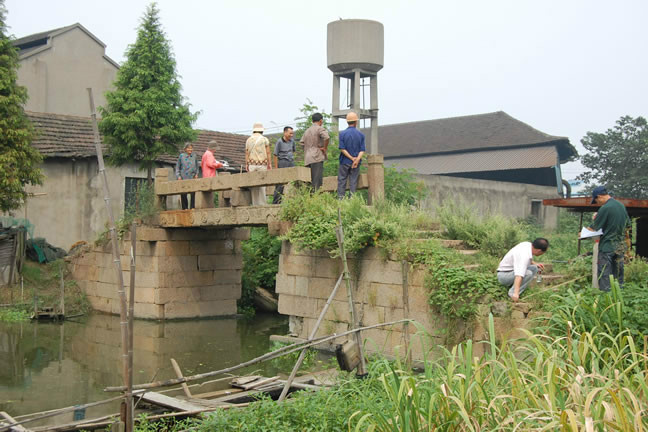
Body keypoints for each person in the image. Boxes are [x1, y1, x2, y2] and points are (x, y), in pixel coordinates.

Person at [584, 186, 630, 291]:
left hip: (607, 246)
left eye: (596, 201)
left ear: (599, 197)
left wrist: (583, 233)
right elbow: (627, 226)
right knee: (618, 272)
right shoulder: (621, 206)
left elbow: (594, 228)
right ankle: (619, 296)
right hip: (620, 246)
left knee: (605, 273)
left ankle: (606, 298)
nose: (598, 203)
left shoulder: (605, 208)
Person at [337, 112, 365, 199]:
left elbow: (342, 148)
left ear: (347, 122)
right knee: (353, 181)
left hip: (344, 161)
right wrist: (356, 160)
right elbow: (362, 150)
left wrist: (351, 158)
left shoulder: (342, 134)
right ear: (356, 122)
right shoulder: (361, 135)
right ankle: (352, 200)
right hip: (356, 163)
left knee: (342, 180)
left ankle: (341, 201)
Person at [300, 113, 329, 191]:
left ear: (312, 121)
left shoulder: (307, 131)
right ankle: (315, 198)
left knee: (309, 180)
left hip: (307, 158)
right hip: (317, 157)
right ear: (321, 120)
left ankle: (309, 198)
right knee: (317, 181)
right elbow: (326, 137)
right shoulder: (319, 128)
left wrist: (307, 150)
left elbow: (302, 143)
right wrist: (324, 148)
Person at [245, 123, 272, 205]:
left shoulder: (248, 140)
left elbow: (246, 153)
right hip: (262, 164)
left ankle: (254, 203)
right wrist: (269, 164)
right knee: (262, 185)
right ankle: (262, 203)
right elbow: (268, 152)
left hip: (252, 165)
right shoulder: (264, 139)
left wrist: (247, 164)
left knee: (253, 185)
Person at [272, 126, 295, 204]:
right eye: (290, 133)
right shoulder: (279, 142)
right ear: (285, 133)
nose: (291, 135)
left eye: (292, 133)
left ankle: (292, 201)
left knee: (293, 182)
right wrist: (276, 168)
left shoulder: (292, 141)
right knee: (280, 183)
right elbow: (275, 155)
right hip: (282, 162)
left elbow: (293, 151)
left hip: (290, 162)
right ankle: (276, 202)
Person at [175, 143, 199, 210]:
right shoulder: (181, 156)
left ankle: (192, 207)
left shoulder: (194, 156)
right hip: (183, 177)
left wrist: (196, 174)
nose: (190, 149)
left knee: (193, 192)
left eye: (191, 148)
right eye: (188, 148)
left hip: (192, 177)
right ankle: (185, 208)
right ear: (185, 149)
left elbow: (197, 166)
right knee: (183, 192)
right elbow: (177, 167)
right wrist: (178, 176)